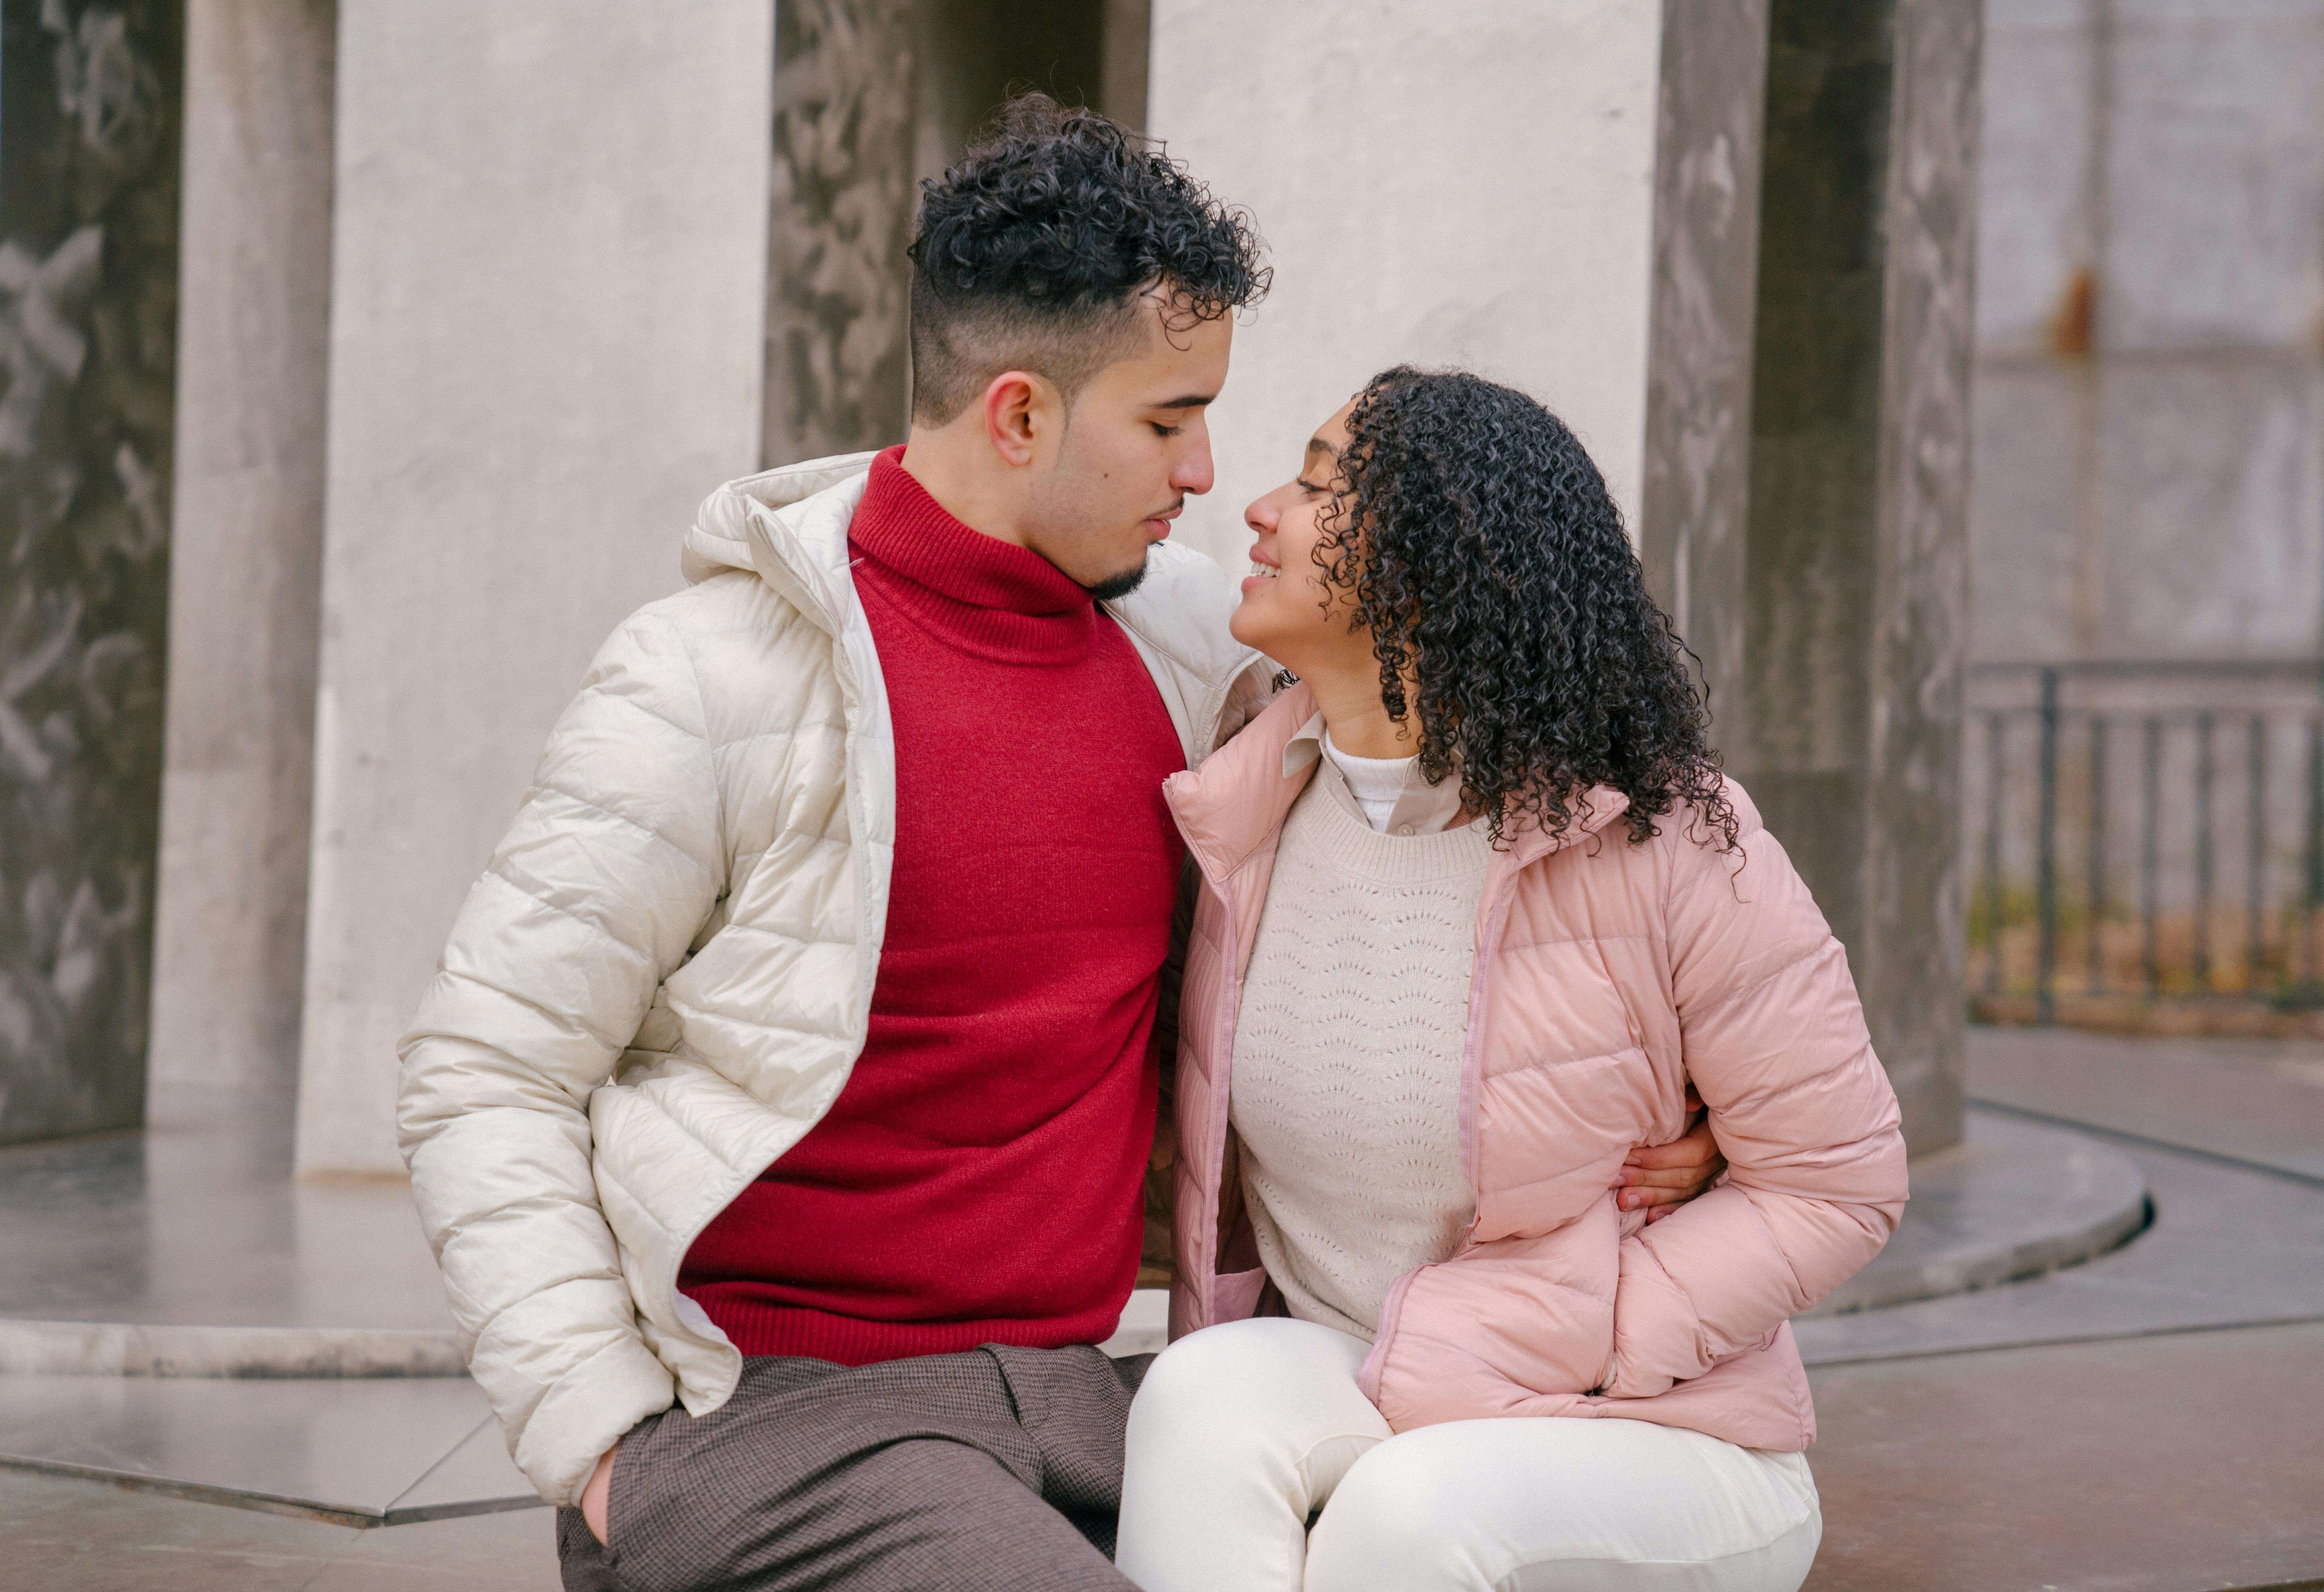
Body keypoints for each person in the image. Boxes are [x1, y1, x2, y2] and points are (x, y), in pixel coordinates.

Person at [396, 100, 1724, 1591]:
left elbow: (1471, 789)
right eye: (1169, 421)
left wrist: (1707, 1092)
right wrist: (603, 1444)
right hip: (780, 1424)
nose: (1209, 472)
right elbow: (486, 1066)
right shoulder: (708, 680)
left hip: (1088, 1402)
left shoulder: (1194, 662)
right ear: (1020, 413)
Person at [1114, 368, 1910, 1592]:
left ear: (1434, 570)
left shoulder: (1669, 841)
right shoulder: (1247, 803)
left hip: (1651, 1431)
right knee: (1198, 1396)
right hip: (1365, 1363)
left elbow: (1840, 1181)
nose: (1259, 509)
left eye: (1320, 483)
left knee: (1406, 1513)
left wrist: (1597, 1339)